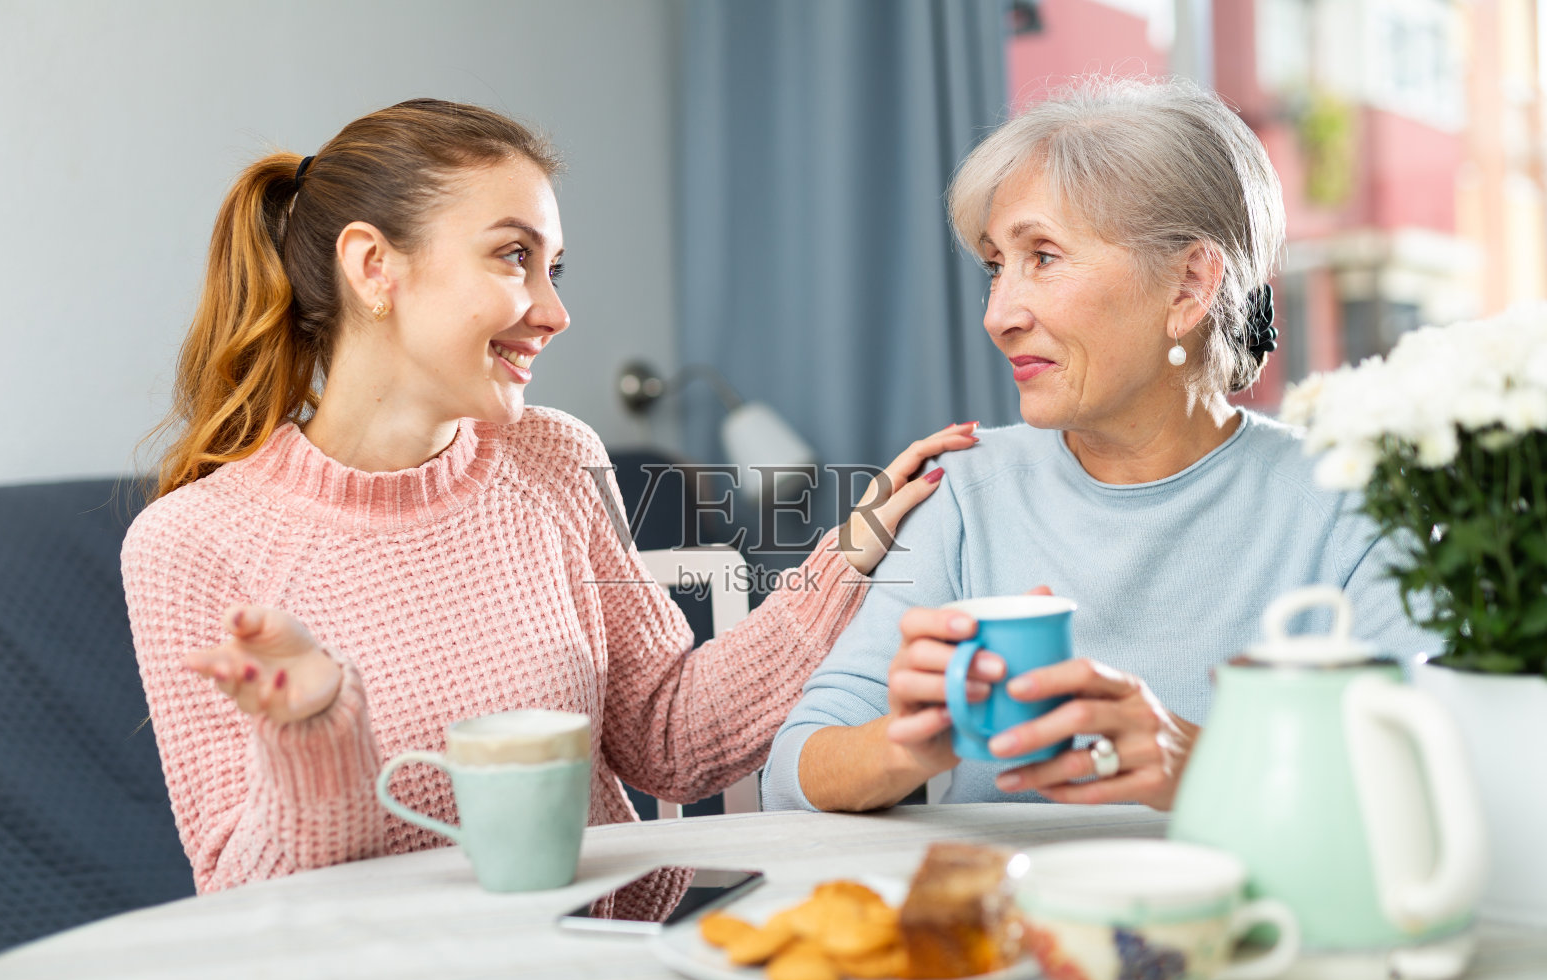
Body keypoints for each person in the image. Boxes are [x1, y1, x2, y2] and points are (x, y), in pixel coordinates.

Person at [122, 99, 976, 894]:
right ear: (373, 266)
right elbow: (243, 896)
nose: (555, 310)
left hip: (597, 964)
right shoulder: (189, 543)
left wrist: (851, 550)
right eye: (513, 256)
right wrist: (314, 735)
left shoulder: (552, 459)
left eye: (553, 266)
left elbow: (669, 737)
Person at [761, 77, 1437, 815]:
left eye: (1043, 256)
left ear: (1187, 285)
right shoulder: (963, 489)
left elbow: (1426, 784)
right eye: (996, 265)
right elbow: (791, 772)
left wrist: (1200, 764)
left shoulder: (1350, 503)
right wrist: (905, 743)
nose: (998, 315)